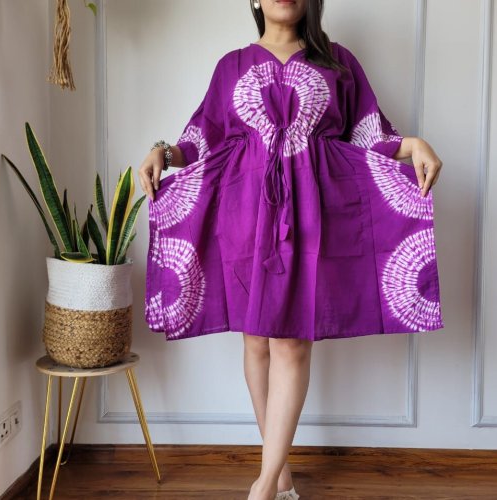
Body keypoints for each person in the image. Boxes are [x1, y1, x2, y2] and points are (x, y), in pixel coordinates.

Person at [138, 1, 444, 499]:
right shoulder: (231, 66)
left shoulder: (337, 62)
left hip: (312, 212)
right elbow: (201, 140)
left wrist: (415, 145)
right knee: (256, 341)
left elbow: (370, 135)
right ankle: (280, 476)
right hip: (243, 210)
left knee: (291, 341)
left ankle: (263, 486)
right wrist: (162, 152)